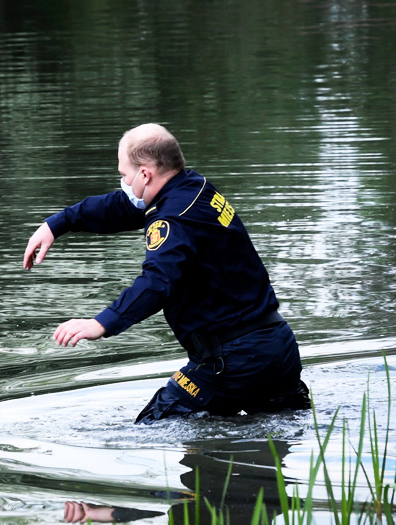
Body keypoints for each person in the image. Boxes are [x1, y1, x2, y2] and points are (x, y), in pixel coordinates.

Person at [22, 123, 310, 423]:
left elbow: (158, 281)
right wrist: (58, 224)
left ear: (145, 174)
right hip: (277, 348)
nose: (123, 183)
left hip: (233, 360)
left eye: (124, 175)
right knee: (274, 450)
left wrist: (101, 323)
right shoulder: (194, 190)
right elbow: (122, 207)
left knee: (151, 430)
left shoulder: (172, 219)